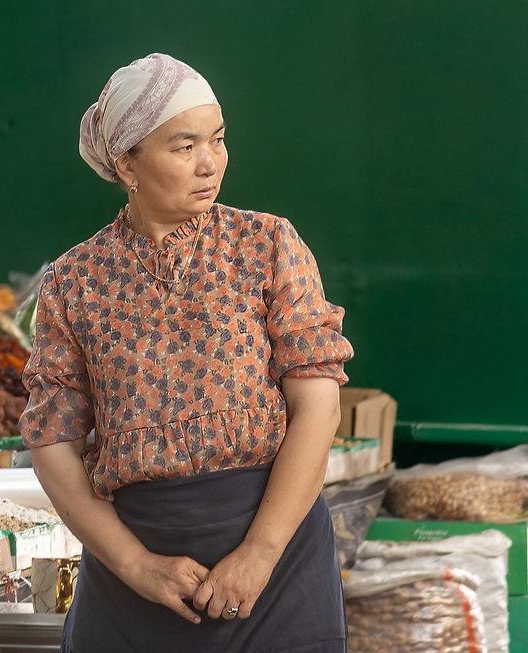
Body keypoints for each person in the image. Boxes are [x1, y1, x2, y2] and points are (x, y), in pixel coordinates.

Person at [19, 53, 355, 652]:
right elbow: (52, 443)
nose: (210, 162)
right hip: (135, 575)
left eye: (218, 140)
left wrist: (259, 553)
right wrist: (135, 565)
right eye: (183, 146)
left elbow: (319, 408)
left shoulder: (268, 245)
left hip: (278, 566)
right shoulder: (75, 282)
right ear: (127, 163)